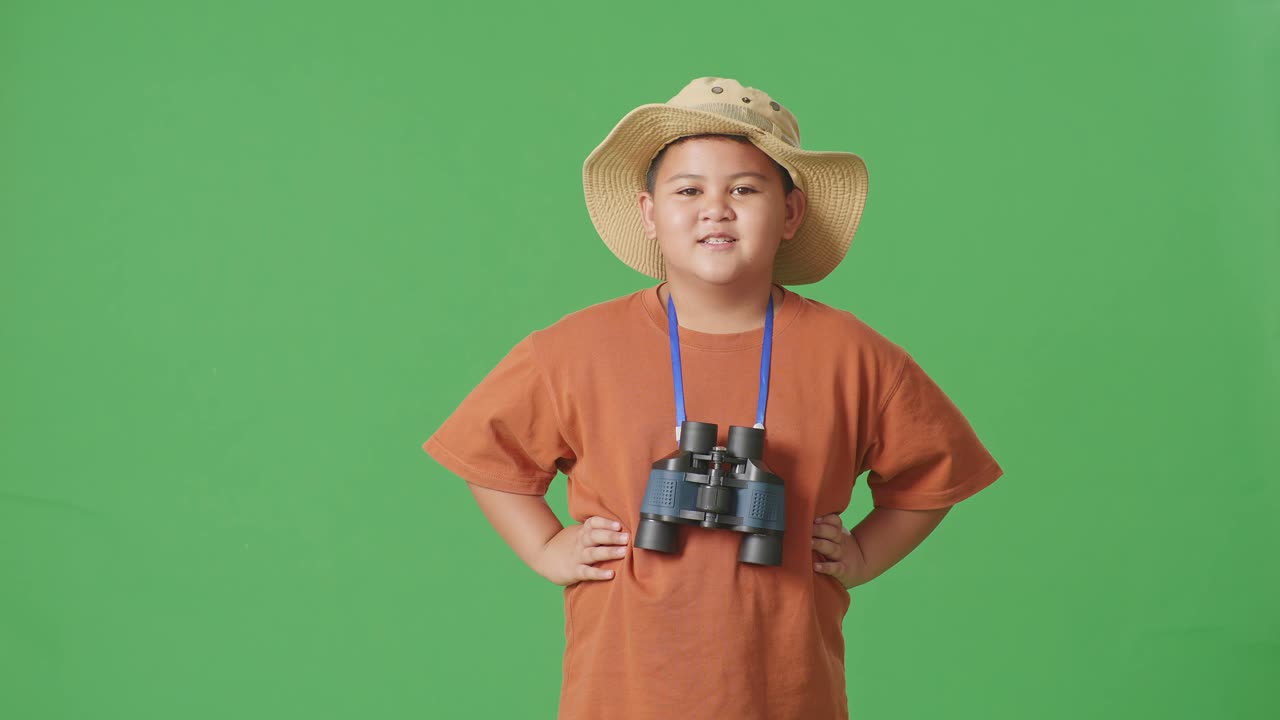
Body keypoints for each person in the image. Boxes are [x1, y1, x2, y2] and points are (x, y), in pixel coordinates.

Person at [422, 76, 1004, 720]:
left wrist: (862, 554)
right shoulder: (574, 349)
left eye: (745, 190)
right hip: (624, 691)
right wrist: (545, 547)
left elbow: (935, 473)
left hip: (785, 691)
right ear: (649, 214)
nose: (716, 208)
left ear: (790, 214)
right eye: (689, 189)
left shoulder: (853, 354)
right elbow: (486, 452)